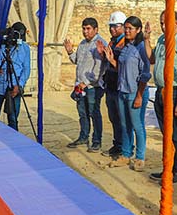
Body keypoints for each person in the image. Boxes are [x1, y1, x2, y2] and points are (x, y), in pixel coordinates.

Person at [144, 11, 177, 183]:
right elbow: (152, 59)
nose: (163, 26)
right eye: (161, 23)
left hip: (175, 91)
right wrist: (146, 39)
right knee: (166, 133)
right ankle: (169, 167)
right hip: (161, 90)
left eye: (167, 23)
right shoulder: (161, 40)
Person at [106, 16, 151, 171]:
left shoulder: (140, 49)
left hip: (135, 92)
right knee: (125, 125)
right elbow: (122, 69)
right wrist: (112, 61)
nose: (127, 31)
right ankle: (126, 154)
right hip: (122, 91)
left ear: (138, 30)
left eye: (130, 28)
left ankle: (140, 157)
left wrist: (139, 95)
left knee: (137, 125)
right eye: (125, 28)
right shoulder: (126, 47)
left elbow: (145, 74)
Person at [64, 18, 107, 152]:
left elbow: (100, 68)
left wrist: (86, 82)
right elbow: (77, 61)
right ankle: (83, 136)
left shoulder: (100, 44)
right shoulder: (83, 44)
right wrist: (70, 52)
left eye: (88, 29)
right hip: (80, 85)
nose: (85, 31)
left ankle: (96, 140)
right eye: (84, 28)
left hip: (93, 87)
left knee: (94, 113)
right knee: (82, 113)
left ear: (96, 29)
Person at [0, 22, 31, 131]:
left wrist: (19, 85)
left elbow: (26, 69)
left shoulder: (25, 48)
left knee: (13, 118)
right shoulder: (1, 46)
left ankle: (13, 143)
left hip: (14, 87)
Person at [98, 11, 127, 159]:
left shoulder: (126, 43)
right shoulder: (112, 42)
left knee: (122, 119)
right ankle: (117, 144)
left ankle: (124, 148)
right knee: (114, 118)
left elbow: (124, 68)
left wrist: (110, 60)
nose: (112, 29)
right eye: (111, 26)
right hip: (110, 85)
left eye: (115, 26)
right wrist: (103, 55)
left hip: (120, 86)